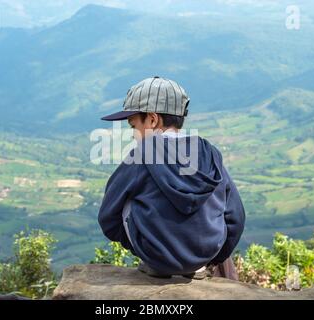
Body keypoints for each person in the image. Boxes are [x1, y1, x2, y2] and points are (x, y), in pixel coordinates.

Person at [98, 76, 245, 280]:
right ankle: (197, 267)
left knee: (125, 198)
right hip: (204, 257)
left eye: (133, 126)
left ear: (152, 119)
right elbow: (235, 217)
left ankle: (154, 263)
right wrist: (211, 258)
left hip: (156, 258)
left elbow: (108, 217)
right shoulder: (209, 154)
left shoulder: (142, 154)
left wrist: (146, 250)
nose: (133, 135)